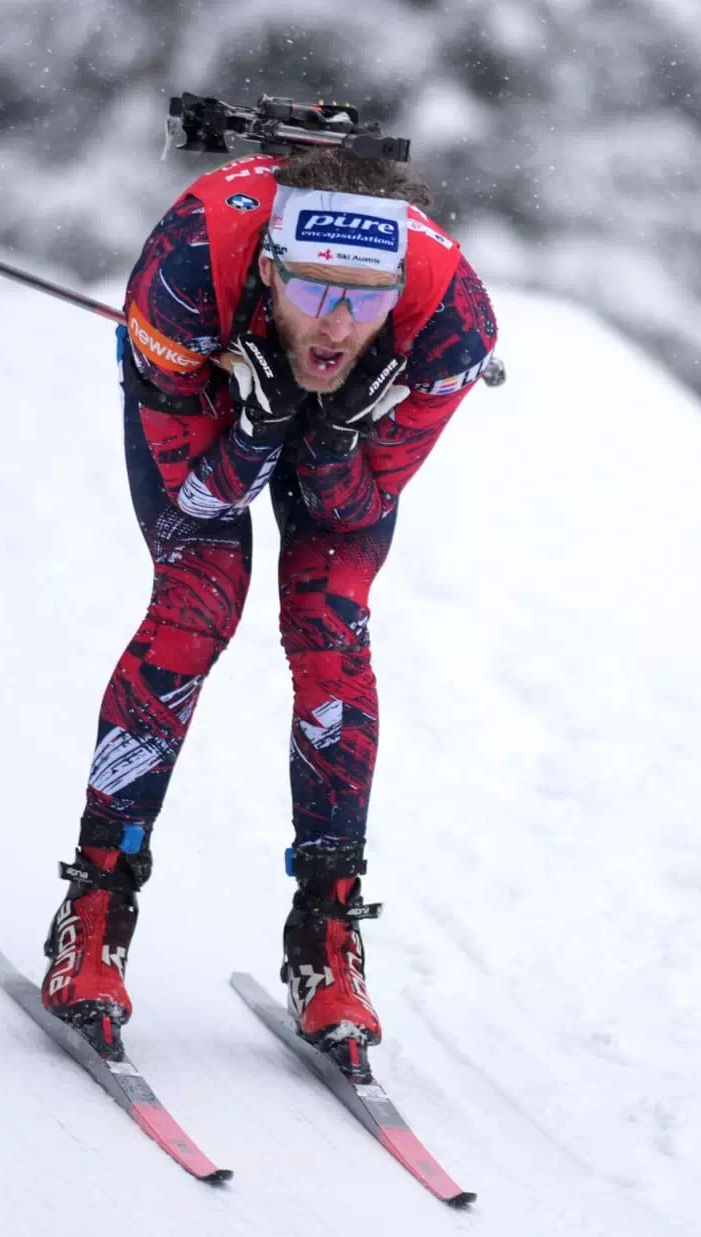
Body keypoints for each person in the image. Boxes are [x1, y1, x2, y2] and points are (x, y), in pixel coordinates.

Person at [37, 144, 499, 1069]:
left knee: (331, 633)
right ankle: (93, 908)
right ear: (270, 268)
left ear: (400, 286)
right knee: (197, 605)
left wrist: (325, 431)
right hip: (208, 380)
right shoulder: (190, 269)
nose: (337, 321)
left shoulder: (450, 324)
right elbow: (199, 502)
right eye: (314, 291)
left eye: (366, 297)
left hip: (335, 431)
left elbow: (353, 509)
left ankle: (326, 935)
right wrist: (257, 423)